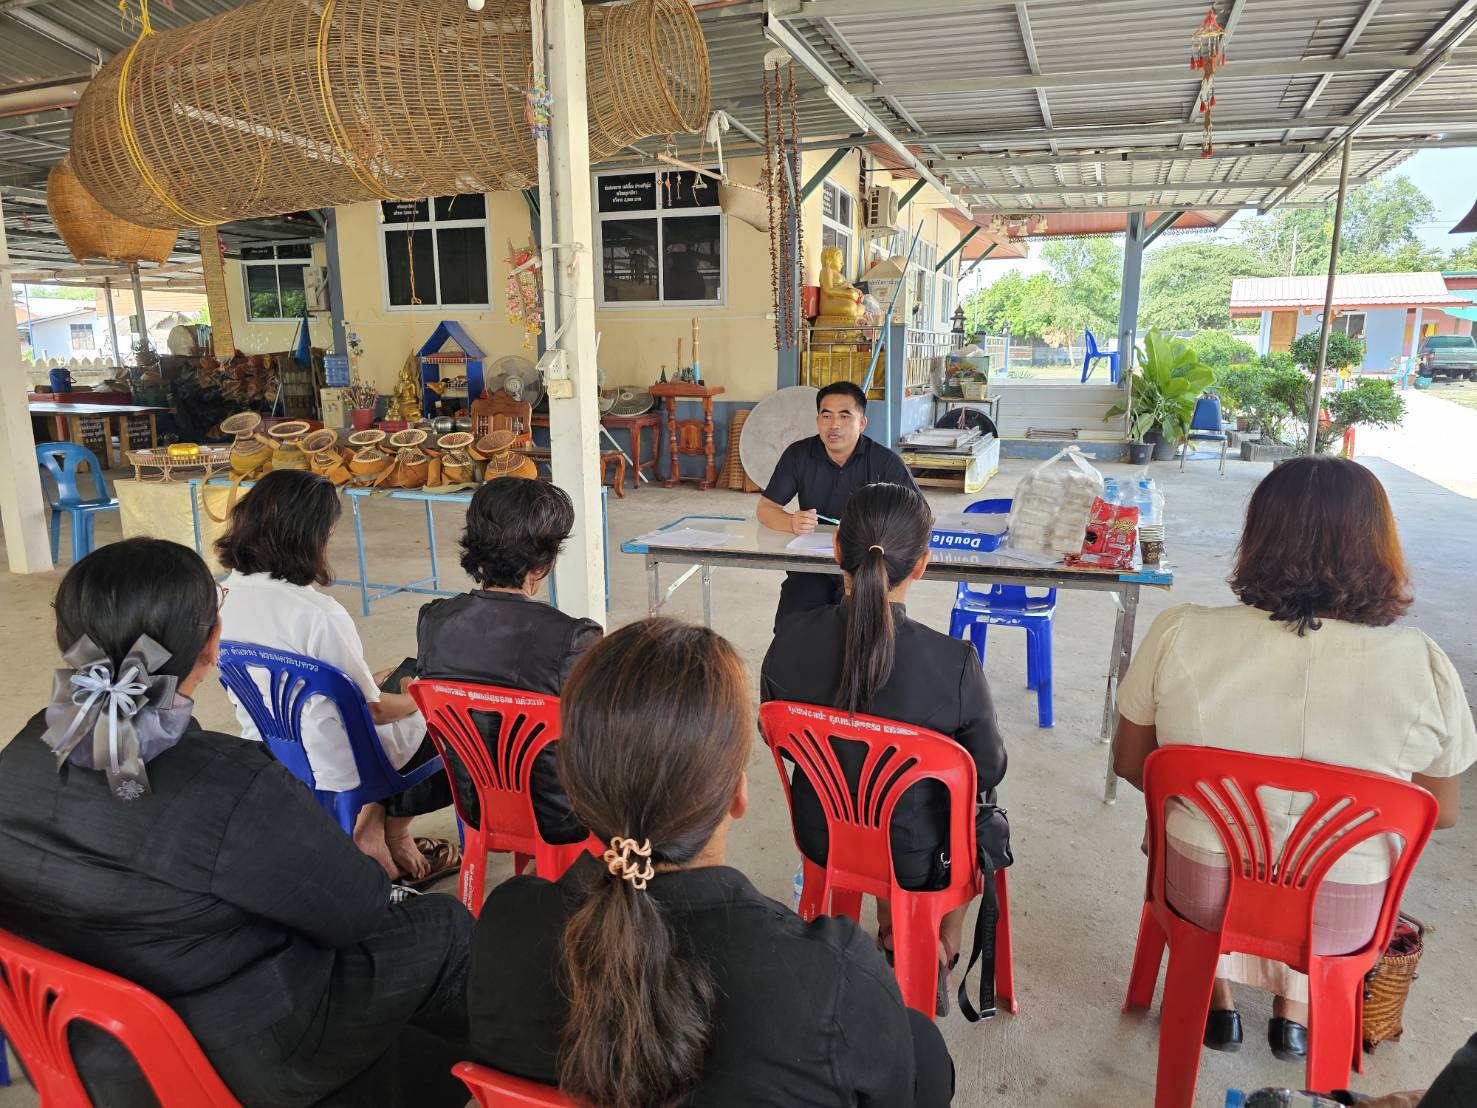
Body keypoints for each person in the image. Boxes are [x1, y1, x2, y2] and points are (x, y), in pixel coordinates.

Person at [0, 539, 472, 1107]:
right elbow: (359, 908)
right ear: (209, 645)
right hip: (235, 1052)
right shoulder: (231, 785)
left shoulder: (24, 751)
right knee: (443, 926)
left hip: (85, 1045)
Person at [468, 618, 954, 1108]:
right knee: (924, 1051)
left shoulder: (505, 928)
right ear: (737, 794)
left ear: (574, 791)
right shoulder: (832, 982)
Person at [1113, 456, 1476, 1061]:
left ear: (1256, 539)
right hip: (1344, 912)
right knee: (1321, 864)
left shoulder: (1180, 633)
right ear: (1379, 546)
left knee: (1180, 823)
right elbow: (1437, 811)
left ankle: (1217, 996)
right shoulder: (1423, 663)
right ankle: (1298, 1009)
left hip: (1204, 890)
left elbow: (1133, 764)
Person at [761, 481, 1009, 1016]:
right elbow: (988, 767)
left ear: (835, 553)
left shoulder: (790, 640)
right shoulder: (954, 664)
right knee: (971, 817)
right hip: (916, 858)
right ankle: (934, 946)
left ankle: (890, 937)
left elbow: (773, 731)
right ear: (922, 565)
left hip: (822, 832)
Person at [216, 469, 455, 884]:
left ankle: (376, 826)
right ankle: (381, 828)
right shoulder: (318, 615)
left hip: (269, 742)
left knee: (393, 676)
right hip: (338, 761)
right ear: (310, 538)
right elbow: (376, 712)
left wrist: (370, 682)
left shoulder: (220, 596)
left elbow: (321, 683)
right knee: (450, 712)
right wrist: (424, 697)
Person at [416, 477, 601, 841]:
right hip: (561, 818)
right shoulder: (574, 638)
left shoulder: (433, 620)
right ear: (546, 559)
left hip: (477, 807)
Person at [757, 380, 921, 630]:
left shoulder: (884, 462)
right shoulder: (799, 454)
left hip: (866, 567)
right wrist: (791, 521)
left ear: (862, 423)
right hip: (810, 564)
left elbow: (920, 516)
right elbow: (765, 509)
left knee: (861, 632)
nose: (834, 425)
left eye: (845, 416)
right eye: (827, 415)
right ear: (818, 420)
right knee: (792, 626)